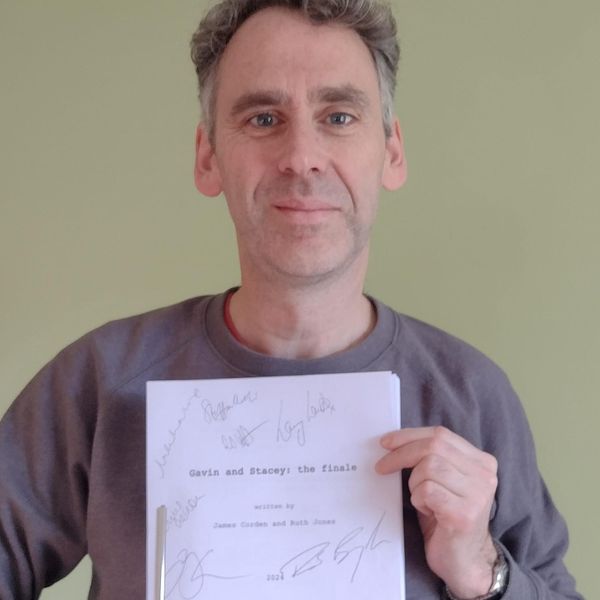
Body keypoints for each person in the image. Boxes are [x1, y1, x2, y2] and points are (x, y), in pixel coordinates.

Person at [0, 1, 583, 599]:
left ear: (392, 150)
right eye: (262, 118)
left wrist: (481, 568)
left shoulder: (470, 394)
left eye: (338, 116)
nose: (301, 157)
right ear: (208, 158)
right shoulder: (100, 384)